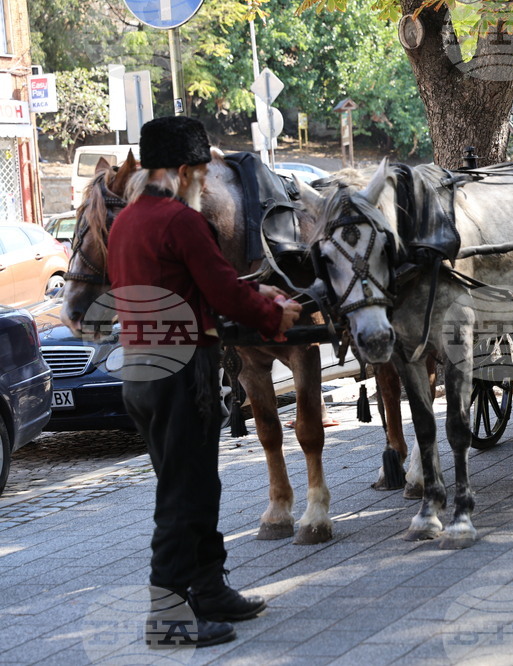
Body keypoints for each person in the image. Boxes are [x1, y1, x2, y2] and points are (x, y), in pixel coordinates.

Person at [107, 116, 302, 648]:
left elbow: (191, 292)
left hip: (142, 373)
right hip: (179, 374)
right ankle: (169, 616)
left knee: (196, 485)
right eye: (200, 173)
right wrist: (274, 314)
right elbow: (225, 293)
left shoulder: (125, 221)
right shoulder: (180, 221)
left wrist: (249, 307)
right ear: (186, 171)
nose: (203, 183)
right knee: (182, 495)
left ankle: (210, 588)